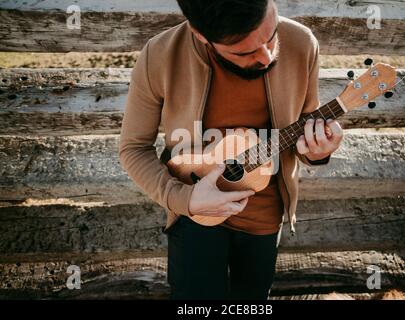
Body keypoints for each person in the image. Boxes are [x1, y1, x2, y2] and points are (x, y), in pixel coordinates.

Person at [119, 0, 343, 300]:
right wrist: (183, 198)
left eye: (271, 35)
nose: (266, 56)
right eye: (245, 52)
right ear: (200, 34)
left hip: (265, 218)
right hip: (192, 214)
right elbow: (134, 148)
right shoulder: (160, 55)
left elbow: (302, 130)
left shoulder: (303, 44)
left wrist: (318, 150)